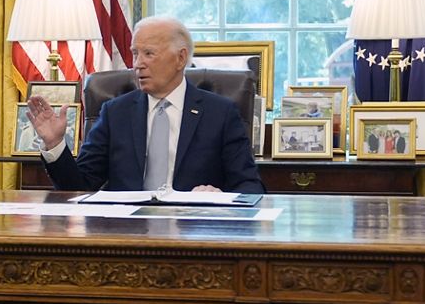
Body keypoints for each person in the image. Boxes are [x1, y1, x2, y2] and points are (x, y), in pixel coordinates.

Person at [27, 16, 265, 193]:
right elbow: (79, 185)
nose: (138, 64)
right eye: (135, 54)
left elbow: (250, 187)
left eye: (149, 54)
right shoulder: (115, 113)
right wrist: (55, 143)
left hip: (194, 234)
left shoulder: (220, 114)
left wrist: (220, 197)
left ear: (181, 58)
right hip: (128, 239)